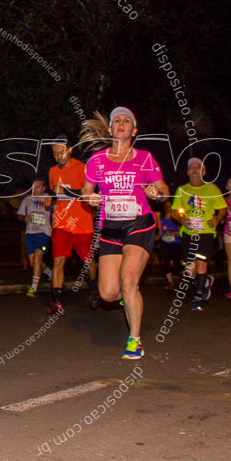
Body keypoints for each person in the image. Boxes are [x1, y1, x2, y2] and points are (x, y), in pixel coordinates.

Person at [82, 107, 169, 359]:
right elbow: (86, 190)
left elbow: (162, 187)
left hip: (139, 224)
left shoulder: (145, 158)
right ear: (110, 129)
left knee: (128, 281)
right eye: (116, 121)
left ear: (134, 130)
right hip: (111, 228)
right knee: (108, 293)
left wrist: (157, 193)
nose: (121, 123)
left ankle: (134, 340)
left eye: (126, 121)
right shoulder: (97, 160)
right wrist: (91, 198)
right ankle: (130, 296)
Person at [46, 135, 95, 315]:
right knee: (58, 260)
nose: (59, 156)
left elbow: (88, 195)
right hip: (61, 222)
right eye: (55, 153)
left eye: (62, 152)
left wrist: (65, 190)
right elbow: (55, 193)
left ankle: (94, 289)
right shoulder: (52, 172)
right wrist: (49, 200)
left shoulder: (82, 168)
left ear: (70, 150)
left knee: (87, 260)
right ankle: (57, 301)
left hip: (82, 221)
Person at [171, 158, 226, 310]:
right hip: (188, 234)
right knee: (190, 270)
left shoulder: (212, 189)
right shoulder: (182, 190)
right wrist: (181, 220)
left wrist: (218, 219)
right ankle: (206, 280)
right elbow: (174, 211)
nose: (195, 169)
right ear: (188, 172)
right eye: (192, 167)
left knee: (201, 264)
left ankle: (198, 296)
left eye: (198, 167)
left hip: (206, 233)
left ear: (204, 171)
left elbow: (222, 208)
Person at [18, 177, 52, 298]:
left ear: (43, 188)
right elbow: (20, 215)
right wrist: (24, 218)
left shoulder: (49, 198)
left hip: (44, 233)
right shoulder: (27, 199)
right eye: (33, 187)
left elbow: (56, 209)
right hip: (30, 234)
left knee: (38, 258)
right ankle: (49, 273)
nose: (34, 189)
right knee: (33, 263)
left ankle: (33, 288)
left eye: (37, 186)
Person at [157, 201, 182, 290]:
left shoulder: (176, 218)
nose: (168, 207)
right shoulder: (162, 218)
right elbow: (160, 231)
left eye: (169, 205)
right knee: (166, 262)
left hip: (175, 243)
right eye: (166, 206)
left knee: (176, 264)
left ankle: (182, 274)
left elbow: (181, 232)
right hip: (165, 243)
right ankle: (170, 282)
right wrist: (156, 238)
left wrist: (171, 233)